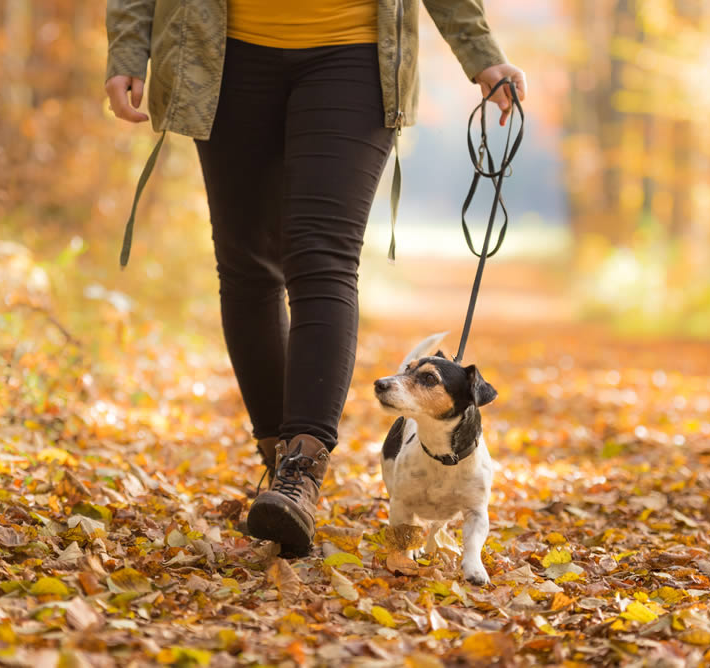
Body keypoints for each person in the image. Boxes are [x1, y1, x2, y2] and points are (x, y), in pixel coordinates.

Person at [105, 0, 527, 555]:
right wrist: (129, 47)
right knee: (247, 265)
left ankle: (302, 470)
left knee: (321, 256)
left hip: (353, 52)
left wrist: (481, 54)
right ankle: (278, 459)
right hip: (221, 52)